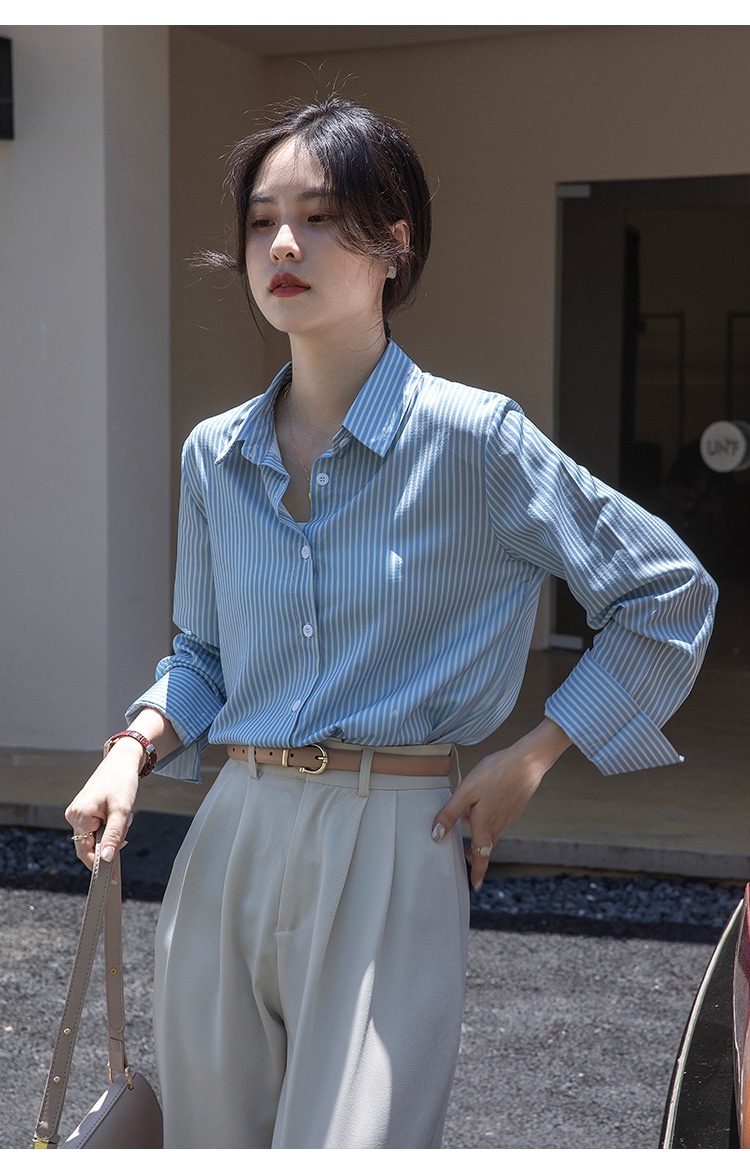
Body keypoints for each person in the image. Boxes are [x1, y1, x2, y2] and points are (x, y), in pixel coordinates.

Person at [65, 96, 718, 1149]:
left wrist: (535, 755)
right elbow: (204, 654)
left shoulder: (477, 441)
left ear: (394, 242)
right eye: (263, 220)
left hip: (396, 834)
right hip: (232, 832)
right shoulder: (213, 455)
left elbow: (666, 591)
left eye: (321, 216)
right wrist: (133, 747)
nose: (284, 244)